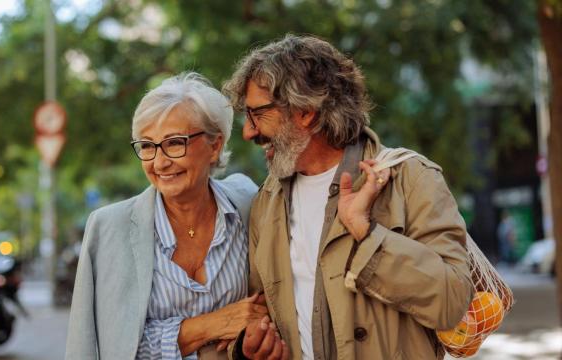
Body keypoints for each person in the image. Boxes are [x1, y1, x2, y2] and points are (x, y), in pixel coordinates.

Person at [222, 34, 474, 359]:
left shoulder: (412, 178)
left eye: (258, 114)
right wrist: (248, 349)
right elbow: (261, 316)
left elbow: (453, 303)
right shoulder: (266, 201)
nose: (248, 131)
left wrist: (366, 235)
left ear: (305, 111)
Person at [65, 73, 268, 359]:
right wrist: (211, 325)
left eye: (174, 143)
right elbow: (109, 343)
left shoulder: (248, 202)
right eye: (147, 146)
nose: (160, 162)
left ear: (215, 146)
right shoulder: (108, 228)